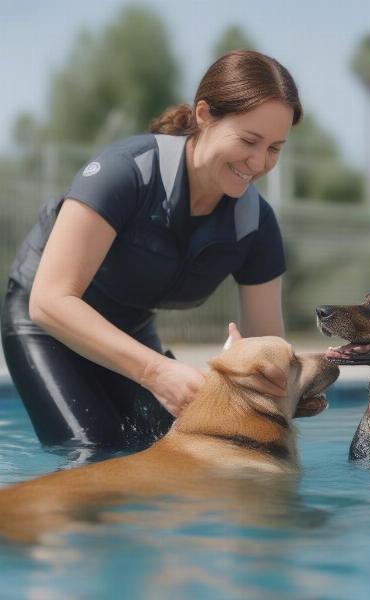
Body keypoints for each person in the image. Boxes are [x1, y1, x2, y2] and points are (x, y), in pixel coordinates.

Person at [1, 50, 300, 450]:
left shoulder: (255, 226)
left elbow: (267, 355)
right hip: (45, 322)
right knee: (93, 455)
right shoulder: (126, 173)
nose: (259, 162)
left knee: (170, 452)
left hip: (129, 327)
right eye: (249, 140)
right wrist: (158, 372)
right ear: (204, 115)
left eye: (275, 148)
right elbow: (49, 301)